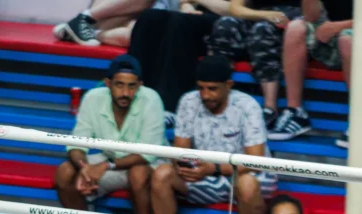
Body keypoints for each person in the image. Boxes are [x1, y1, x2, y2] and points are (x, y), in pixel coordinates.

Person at [146, 55, 277, 214]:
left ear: (229, 85)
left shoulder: (247, 106)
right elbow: (180, 150)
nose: (206, 95)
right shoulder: (189, 101)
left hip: (246, 174)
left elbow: (255, 160)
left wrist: (214, 168)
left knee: (246, 184)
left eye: (213, 89)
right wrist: (185, 165)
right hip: (205, 176)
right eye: (202, 88)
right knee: (161, 174)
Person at [56, 55, 167, 214]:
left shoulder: (151, 99)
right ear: (108, 84)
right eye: (119, 85)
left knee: (139, 172)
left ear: (140, 85)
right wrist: (85, 168)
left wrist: (104, 166)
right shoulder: (93, 97)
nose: (125, 93)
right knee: (65, 171)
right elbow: (76, 143)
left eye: (132, 86)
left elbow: (148, 153)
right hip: (111, 161)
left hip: (148, 164)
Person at [207, 1, 299, 134]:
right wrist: (266, 15)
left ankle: (270, 109)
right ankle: (220, 100)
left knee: (262, 30)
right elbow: (235, 8)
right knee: (225, 25)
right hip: (261, 16)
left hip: (293, 21)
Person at [128, 3, 232, 119]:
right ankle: (132, 94)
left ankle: (169, 106)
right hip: (194, 17)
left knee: (180, 22)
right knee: (151, 16)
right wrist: (187, 7)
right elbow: (185, 1)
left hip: (227, 25)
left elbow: (236, 10)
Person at [270, 0, 353, 145]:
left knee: (347, 39)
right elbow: (311, 17)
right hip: (336, 37)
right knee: (296, 28)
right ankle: (296, 112)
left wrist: (337, 27)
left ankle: (359, 120)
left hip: (351, 37)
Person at [55, 0, 177, 47]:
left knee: (137, 35)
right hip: (117, 6)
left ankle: (87, 32)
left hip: (153, 15)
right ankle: (85, 18)